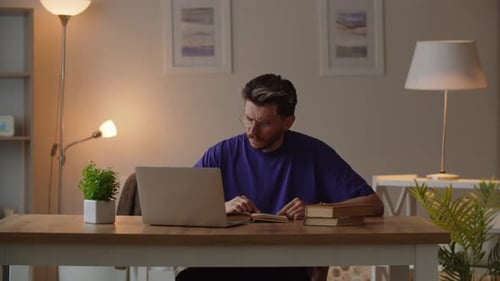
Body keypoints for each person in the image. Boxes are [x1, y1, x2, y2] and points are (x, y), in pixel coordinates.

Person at [176, 73, 384, 281]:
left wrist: (315, 211)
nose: (251, 131)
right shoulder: (221, 154)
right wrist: (221, 208)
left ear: (288, 122)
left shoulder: (315, 153)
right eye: (248, 119)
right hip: (227, 263)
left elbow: (374, 205)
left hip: (288, 266)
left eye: (263, 124)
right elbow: (179, 206)